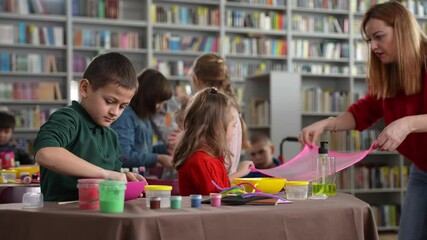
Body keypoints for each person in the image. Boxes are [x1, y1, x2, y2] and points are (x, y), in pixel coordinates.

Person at [298, 2, 427, 239]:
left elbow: (408, 122)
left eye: (379, 37)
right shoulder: (390, 74)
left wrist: (407, 123)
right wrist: (327, 123)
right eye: (369, 41)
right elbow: (362, 113)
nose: (374, 46)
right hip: (423, 171)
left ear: (402, 30)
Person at [32, 52, 146, 201]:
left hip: (99, 213)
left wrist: (124, 180)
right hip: (61, 215)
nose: (114, 112)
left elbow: (109, 182)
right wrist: (105, 174)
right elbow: (45, 153)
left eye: (123, 106)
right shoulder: (68, 118)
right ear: (85, 88)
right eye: (109, 101)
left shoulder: (111, 137)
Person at [186, 53, 253, 180]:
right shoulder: (228, 107)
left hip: (220, 185)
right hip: (223, 184)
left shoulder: (213, 111)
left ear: (196, 79)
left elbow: (218, 176)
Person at [173, 87, 236, 195]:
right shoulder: (202, 161)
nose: (234, 132)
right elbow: (217, 200)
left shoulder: (212, 158)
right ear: (218, 127)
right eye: (233, 126)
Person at [111, 68, 174, 172]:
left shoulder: (145, 116)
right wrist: (158, 158)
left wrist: (166, 149)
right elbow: (123, 155)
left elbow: (144, 150)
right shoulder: (126, 116)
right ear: (148, 97)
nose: (161, 107)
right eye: (159, 101)